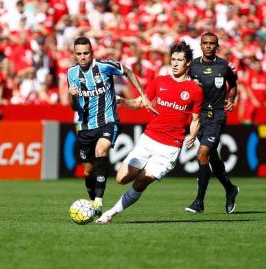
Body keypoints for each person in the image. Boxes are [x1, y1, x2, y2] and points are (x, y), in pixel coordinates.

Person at [95, 41, 203, 224]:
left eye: (180, 60)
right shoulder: (160, 81)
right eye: (173, 59)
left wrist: (192, 135)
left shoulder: (195, 89)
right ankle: (139, 173)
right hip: (149, 139)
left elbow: (195, 119)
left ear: (188, 63)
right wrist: (122, 100)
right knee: (121, 179)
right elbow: (139, 102)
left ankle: (110, 214)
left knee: (142, 181)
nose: (175, 63)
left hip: (170, 147)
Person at [67, 36, 155, 216]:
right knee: (88, 170)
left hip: (108, 121)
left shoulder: (104, 66)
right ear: (75, 55)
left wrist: (144, 96)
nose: (83, 57)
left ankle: (98, 201)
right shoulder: (72, 73)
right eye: (79, 54)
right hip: (85, 126)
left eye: (86, 53)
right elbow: (74, 107)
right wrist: (73, 96)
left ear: (92, 53)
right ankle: (92, 202)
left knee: (102, 149)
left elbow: (128, 71)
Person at [185, 32, 239, 214]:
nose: (208, 46)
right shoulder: (192, 66)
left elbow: (233, 85)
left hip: (216, 116)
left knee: (202, 154)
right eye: (205, 43)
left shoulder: (225, 66)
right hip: (198, 117)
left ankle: (199, 202)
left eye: (212, 43)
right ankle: (230, 189)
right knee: (212, 157)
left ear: (217, 46)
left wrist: (231, 99)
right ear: (200, 45)